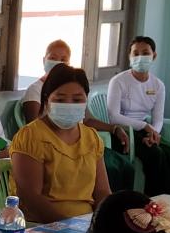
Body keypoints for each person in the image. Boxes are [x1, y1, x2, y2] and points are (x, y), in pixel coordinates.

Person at [9, 65, 109, 222]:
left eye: (77, 100)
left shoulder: (92, 138)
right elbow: (30, 198)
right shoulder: (31, 136)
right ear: (47, 100)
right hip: (44, 226)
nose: (69, 104)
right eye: (60, 100)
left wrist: (102, 221)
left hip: (87, 223)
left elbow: (102, 191)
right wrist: (68, 227)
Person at [107, 36, 170, 196]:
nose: (140, 57)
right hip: (123, 132)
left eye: (145, 53)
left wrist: (153, 134)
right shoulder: (118, 81)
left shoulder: (158, 85)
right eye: (135, 53)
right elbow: (114, 116)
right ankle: (152, 200)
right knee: (155, 154)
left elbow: (158, 118)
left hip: (146, 130)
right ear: (129, 56)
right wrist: (145, 127)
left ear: (154, 56)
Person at [19, 39, 71, 124]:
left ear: (68, 64)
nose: (58, 62)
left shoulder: (71, 89)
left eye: (63, 59)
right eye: (53, 58)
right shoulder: (35, 90)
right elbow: (33, 127)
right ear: (44, 61)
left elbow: (83, 120)